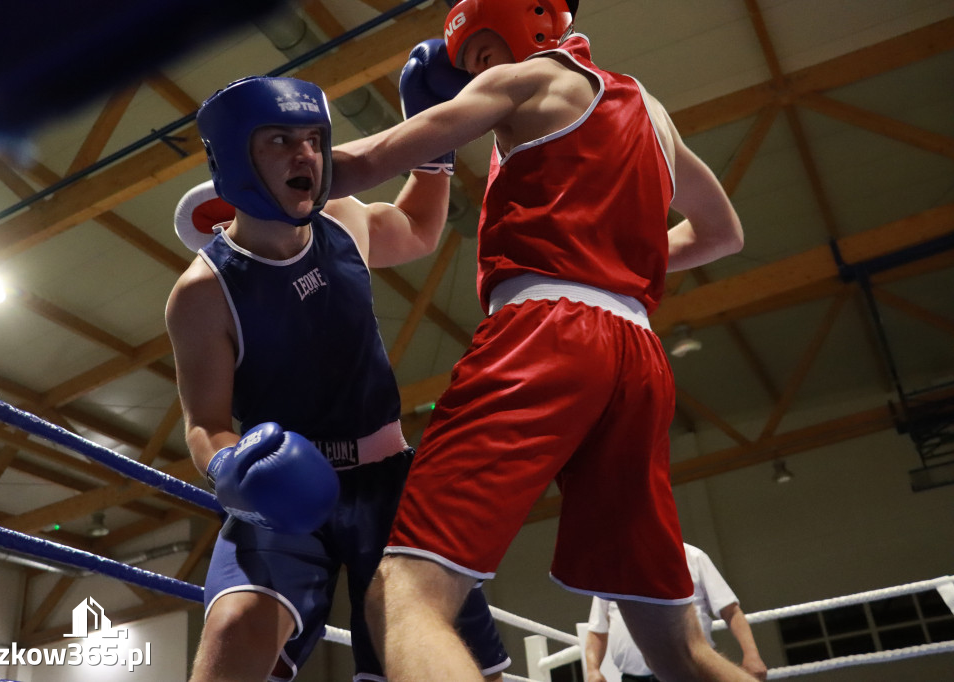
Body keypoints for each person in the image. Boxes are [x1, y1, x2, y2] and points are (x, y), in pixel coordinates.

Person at [329, 1, 750, 680]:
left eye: (485, 54)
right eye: (470, 63)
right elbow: (723, 233)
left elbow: (362, 163)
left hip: (544, 334)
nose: (476, 71)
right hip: (636, 355)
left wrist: (253, 165)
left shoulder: (522, 82)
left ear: (528, 26)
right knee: (679, 650)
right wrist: (612, 254)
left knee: (403, 593)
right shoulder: (652, 110)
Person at [165, 71, 510, 682]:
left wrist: (437, 159)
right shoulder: (202, 292)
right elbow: (206, 423)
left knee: (437, 651)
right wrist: (228, 467)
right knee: (235, 629)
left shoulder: (344, 217)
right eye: (279, 141)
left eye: (313, 140)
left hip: (389, 479)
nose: (304, 155)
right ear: (235, 156)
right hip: (283, 490)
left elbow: (421, 231)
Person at [586, 544, 768, 682]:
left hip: (690, 672)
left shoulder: (693, 557)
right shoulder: (615, 568)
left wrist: (752, 655)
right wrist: (593, 669)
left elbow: (731, 611)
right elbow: (597, 628)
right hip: (634, 678)